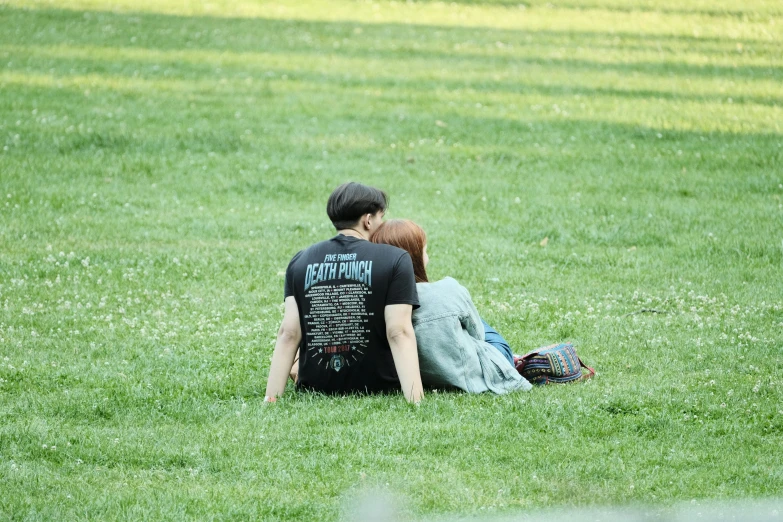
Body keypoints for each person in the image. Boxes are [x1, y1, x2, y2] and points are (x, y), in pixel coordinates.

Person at [264, 183, 424, 403]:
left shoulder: (300, 261)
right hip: (379, 385)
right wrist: (416, 400)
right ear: (368, 220)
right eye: (380, 218)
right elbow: (399, 331)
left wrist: (271, 398)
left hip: (316, 387)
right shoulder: (395, 259)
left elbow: (288, 333)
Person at [371, 219, 531, 394]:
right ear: (416, 256)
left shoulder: (376, 302)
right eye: (425, 249)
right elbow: (478, 335)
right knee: (479, 324)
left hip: (423, 376)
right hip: (471, 375)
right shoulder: (448, 289)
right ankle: (515, 360)